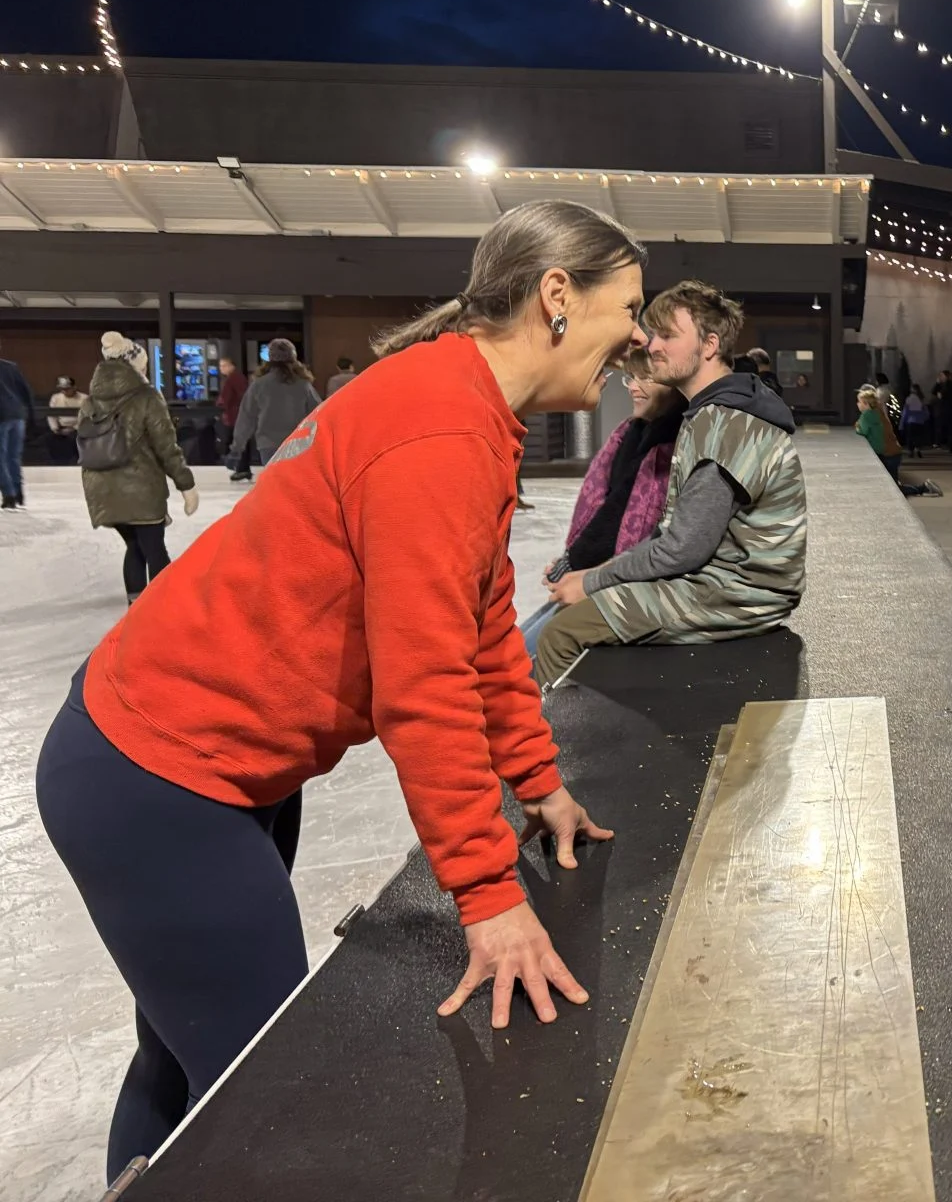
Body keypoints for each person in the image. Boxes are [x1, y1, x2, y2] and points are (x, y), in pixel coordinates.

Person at [37, 199, 641, 1185]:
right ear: (557, 295)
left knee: (192, 1066)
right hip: (156, 778)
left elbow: (484, 626)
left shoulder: (463, 406)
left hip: (205, 767)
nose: (638, 336)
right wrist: (487, 894)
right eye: (631, 307)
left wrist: (537, 780)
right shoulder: (439, 427)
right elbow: (425, 687)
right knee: (273, 1106)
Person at [531, 281, 807, 687]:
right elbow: (676, 540)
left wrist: (591, 581)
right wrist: (595, 574)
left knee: (561, 633)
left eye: (667, 335)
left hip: (737, 595)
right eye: (653, 333)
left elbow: (681, 550)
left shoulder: (725, 425)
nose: (653, 345)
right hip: (723, 584)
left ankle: (552, 731)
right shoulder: (715, 413)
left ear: (709, 345)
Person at [519, 351, 687, 660]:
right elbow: (602, 505)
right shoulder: (631, 432)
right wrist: (571, 561)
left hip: (631, 584)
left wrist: (578, 566)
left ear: (672, 384)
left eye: (645, 378)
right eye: (630, 377)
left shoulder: (672, 442)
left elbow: (621, 518)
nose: (633, 387)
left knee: (533, 650)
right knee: (520, 643)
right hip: (600, 571)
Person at [76, 333, 201, 601]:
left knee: (134, 547)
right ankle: (161, 608)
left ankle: (136, 607)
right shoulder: (147, 397)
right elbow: (166, 447)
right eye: (143, 367)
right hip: (140, 487)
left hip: (102, 488)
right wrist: (186, 485)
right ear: (135, 367)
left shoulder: (90, 402)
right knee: (154, 550)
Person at [231, 338, 321, 475]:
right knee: (294, 483)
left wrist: (237, 448)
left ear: (269, 358)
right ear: (293, 357)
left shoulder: (259, 385)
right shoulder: (303, 385)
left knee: (275, 482)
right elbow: (319, 414)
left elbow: (246, 418)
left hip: (268, 445)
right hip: (298, 443)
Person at [857, 387, 941, 498]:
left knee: (893, 488)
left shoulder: (867, 415)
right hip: (894, 452)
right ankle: (924, 488)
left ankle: (925, 488)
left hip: (887, 454)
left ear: (866, 404)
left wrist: (858, 425)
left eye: (859, 402)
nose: (857, 404)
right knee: (893, 486)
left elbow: (861, 430)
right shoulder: (879, 412)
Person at [0, 339, 31, 508]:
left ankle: (9, 495)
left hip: (2, 417)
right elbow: (26, 391)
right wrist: (31, 416)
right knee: (13, 457)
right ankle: (18, 493)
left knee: (1, 458)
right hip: (18, 415)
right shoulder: (11, 367)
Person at [216, 355, 251, 481]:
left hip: (235, 417)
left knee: (236, 442)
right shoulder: (235, 378)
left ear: (232, 366)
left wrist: (221, 404)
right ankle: (241, 468)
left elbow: (227, 398)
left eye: (224, 365)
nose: (222, 368)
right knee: (238, 441)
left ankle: (241, 468)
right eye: (220, 366)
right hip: (236, 416)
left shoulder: (233, 379)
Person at [47, 375, 88, 466]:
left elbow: (86, 417)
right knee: (50, 439)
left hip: (78, 428)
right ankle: (58, 464)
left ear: (74, 387)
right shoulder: (56, 398)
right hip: (60, 428)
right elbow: (51, 415)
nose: (64, 391)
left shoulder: (84, 398)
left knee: (74, 440)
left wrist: (74, 428)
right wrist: (55, 428)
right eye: (62, 389)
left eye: (67, 389)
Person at [901, 384, 931, 458]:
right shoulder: (921, 399)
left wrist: (903, 421)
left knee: (910, 437)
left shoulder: (909, 399)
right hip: (920, 421)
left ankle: (911, 451)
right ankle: (918, 449)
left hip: (911, 421)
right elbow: (926, 412)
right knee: (918, 436)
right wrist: (923, 419)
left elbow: (906, 411)